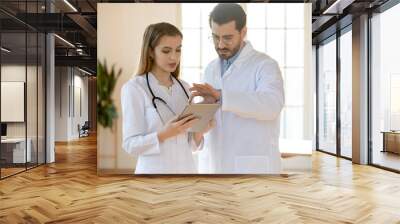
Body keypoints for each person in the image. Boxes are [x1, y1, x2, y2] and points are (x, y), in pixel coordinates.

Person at [190, 3, 285, 174]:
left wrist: (221, 97)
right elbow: (211, 120)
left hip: (252, 165)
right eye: (215, 37)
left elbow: (272, 105)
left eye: (227, 38)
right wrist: (200, 115)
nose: (220, 45)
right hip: (213, 164)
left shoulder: (265, 65)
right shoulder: (210, 69)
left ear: (243, 32)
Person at [121, 22, 214, 174]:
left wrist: (200, 131)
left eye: (178, 50)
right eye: (166, 51)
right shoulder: (135, 88)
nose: (174, 57)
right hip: (154, 174)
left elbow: (191, 145)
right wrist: (164, 134)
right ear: (150, 52)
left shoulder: (185, 88)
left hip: (187, 172)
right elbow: (130, 145)